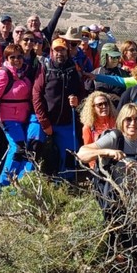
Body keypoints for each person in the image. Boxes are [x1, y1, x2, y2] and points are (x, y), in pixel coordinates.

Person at [76, 102, 137, 256]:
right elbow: (82, 154)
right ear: (121, 121)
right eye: (128, 119)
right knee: (110, 243)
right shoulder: (115, 137)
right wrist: (107, 152)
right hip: (111, 200)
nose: (133, 123)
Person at [0, 45, 34, 187]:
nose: (17, 60)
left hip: (23, 117)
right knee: (17, 147)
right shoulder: (4, 74)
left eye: (19, 56)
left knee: (24, 149)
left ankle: (19, 182)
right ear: (6, 58)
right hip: (8, 117)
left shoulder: (24, 73)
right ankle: (2, 183)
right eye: (12, 57)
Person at [32, 38, 87, 182]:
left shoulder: (74, 69)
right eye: (56, 50)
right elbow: (36, 95)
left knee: (71, 153)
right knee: (33, 146)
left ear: (67, 51)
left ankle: (65, 182)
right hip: (46, 121)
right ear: (51, 52)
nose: (59, 53)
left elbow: (82, 91)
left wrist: (78, 99)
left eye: (62, 50)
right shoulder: (45, 68)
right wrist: (44, 122)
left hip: (66, 122)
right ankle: (30, 177)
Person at [80, 91, 118, 168]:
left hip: (118, 162)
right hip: (100, 165)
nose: (104, 106)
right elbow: (88, 151)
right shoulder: (88, 127)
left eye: (106, 103)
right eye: (99, 105)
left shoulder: (118, 121)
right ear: (93, 108)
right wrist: (94, 168)